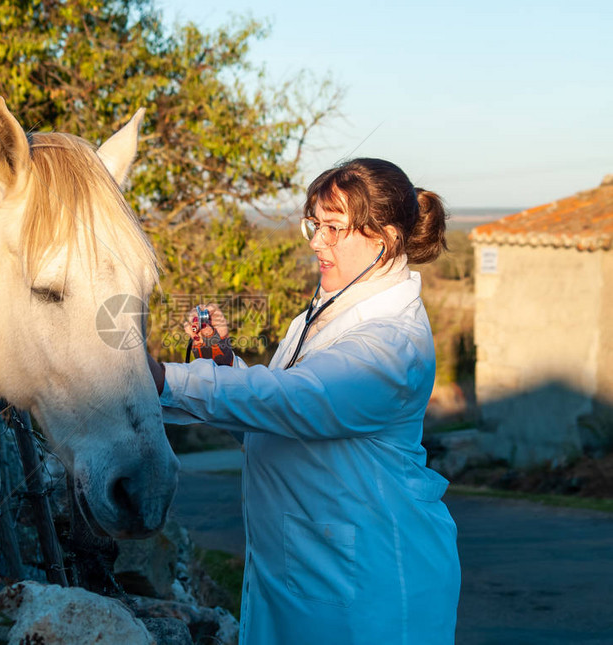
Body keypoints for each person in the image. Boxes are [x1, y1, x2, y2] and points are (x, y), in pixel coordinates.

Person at [147, 158, 461, 644]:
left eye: (334, 228)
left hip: (368, 591)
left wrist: (162, 378)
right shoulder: (328, 310)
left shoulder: (390, 344)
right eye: (314, 224)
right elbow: (274, 420)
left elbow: (296, 400)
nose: (316, 241)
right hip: (309, 573)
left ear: (386, 239)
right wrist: (222, 362)